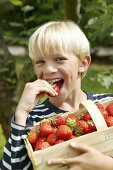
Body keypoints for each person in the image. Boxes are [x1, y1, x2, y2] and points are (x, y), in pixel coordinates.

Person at [0, 20, 113, 170]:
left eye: (59, 59)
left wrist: (106, 165)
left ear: (83, 63)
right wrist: (21, 113)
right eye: (40, 61)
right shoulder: (33, 120)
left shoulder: (107, 105)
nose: (48, 70)